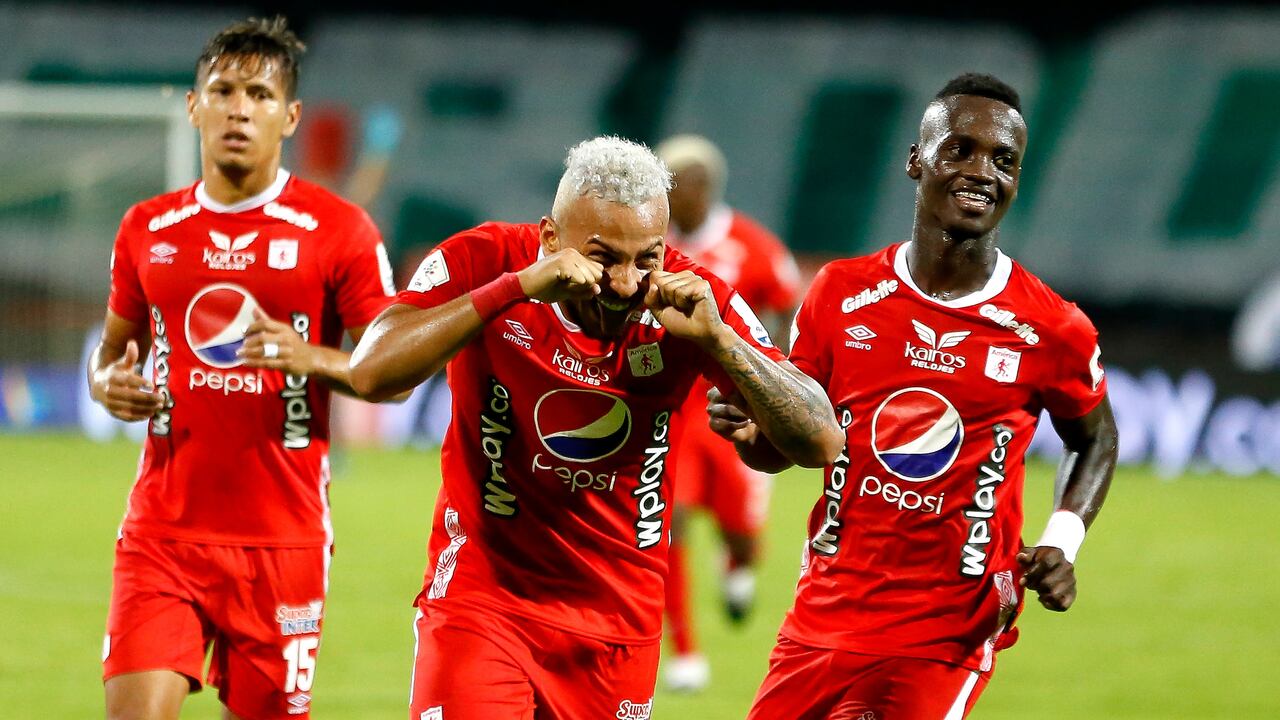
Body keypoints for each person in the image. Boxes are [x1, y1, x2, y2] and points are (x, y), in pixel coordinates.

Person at [348, 135, 844, 720]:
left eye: (647, 258)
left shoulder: (692, 297)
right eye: (604, 258)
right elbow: (371, 374)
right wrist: (516, 287)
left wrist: (721, 342)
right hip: (484, 601)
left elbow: (821, 441)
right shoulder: (486, 259)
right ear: (550, 239)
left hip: (618, 621)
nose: (628, 283)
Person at [708, 73, 1120, 718]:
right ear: (915, 160)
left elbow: (1095, 437)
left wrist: (1063, 542)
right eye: (960, 149)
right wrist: (749, 432)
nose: (982, 172)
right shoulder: (839, 293)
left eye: (1004, 160)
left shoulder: (1050, 326)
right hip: (825, 611)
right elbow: (788, 449)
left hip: (949, 629)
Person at [88, 17, 398, 720]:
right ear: (193, 106)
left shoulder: (339, 230)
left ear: (290, 117)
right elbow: (110, 353)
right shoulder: (147, 228)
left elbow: (396, 372)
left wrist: (311, 357)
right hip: (161, 534)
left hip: (282, 544)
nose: (238, 109)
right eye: (223, 91)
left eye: (259, 95)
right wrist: (106, 385)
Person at [652, 134, 802, 692]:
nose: (671, 196)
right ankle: (685, 652)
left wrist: (775, 384)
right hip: (672, 409)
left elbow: (786, 307)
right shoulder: (650, 245)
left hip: (732, 408)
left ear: (704, 187)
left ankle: (739, 563)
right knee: (669, 522)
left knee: (740, 526)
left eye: (677, 185)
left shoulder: (752, 245)